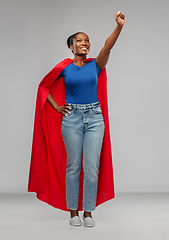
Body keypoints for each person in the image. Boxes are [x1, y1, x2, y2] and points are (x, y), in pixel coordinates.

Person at [28, 11, 125, 228]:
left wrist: (119, 27)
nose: (84, 43)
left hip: (95, 119)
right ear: (71, 46)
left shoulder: (96, 65)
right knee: (73, 166)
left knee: (91, 167)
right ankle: (73, 212)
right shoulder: (64, 68)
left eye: (87, 40)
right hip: (71, 119)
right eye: (79, 41)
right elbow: (44, 87)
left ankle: (88, 212)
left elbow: (107, 47)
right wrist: (56, 106)